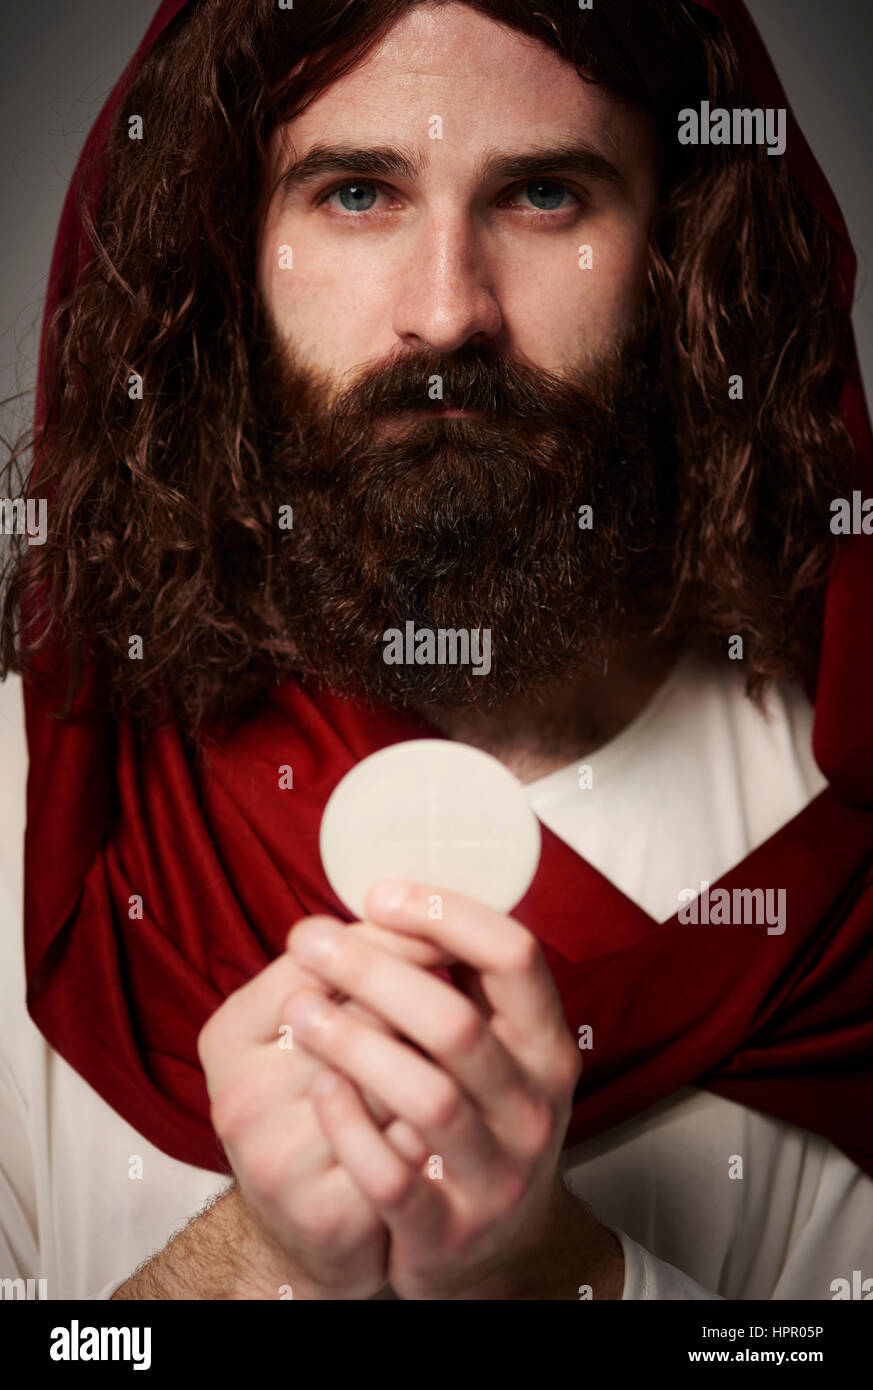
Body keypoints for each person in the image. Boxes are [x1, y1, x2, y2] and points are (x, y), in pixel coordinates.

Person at [1, 0, 872, 1301]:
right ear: (228, 254)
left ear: (679, 253)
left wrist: (555, 1274)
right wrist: (262, 1256)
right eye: (357, 192)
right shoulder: (26, 802)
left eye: (540, 196)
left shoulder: (835, 859)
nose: (448, 312)